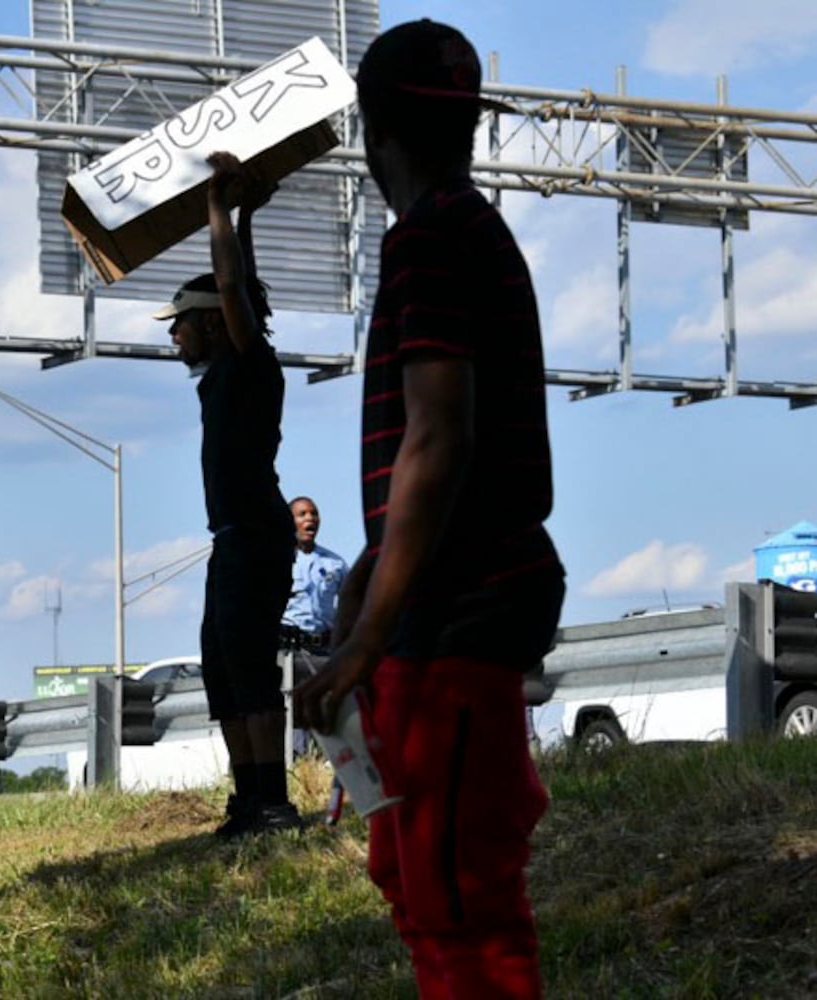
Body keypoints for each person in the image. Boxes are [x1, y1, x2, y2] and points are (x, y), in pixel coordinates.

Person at [295, 20, 565, 998]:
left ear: (374, 134)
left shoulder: (430, 240)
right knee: (419, 879)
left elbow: (438, 437)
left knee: (459, 901)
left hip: (454, 614)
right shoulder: (465, 232)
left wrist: (364, 636)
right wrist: (373, 573)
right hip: (444, 606)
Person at [154, 151, 299, 838]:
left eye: (179, 321)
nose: (173, 334)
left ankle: (272, 803)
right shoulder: (228, 367)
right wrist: (244, 212)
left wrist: (217, 207)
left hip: (255, 536)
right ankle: (247, 802)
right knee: (221, 666)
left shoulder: (249, 363)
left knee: (248, 667)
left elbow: (233, 285)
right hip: (232, 541)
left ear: (213, 321)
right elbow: (237, 284)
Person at [280, 496, 347, 756]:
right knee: (290, 710)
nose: (309, 519)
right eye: (302, 514)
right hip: (288, 652)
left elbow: (353, 599)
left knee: (322, 706)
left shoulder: (334, 564)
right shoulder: (278, 559)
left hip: (322, 650)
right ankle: (293, 762)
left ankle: (318, 765)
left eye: (314, 513)